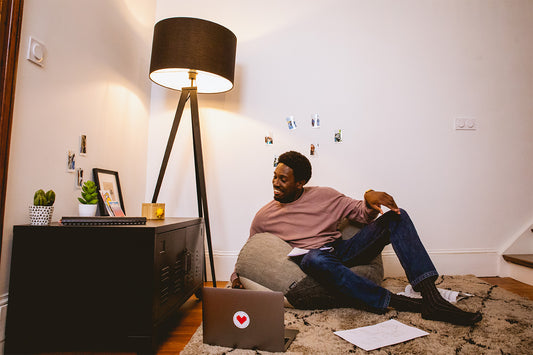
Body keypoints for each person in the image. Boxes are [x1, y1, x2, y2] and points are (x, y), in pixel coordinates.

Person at [231, 151, 482, 326]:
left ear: (300, 183)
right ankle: (394, 302)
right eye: (274, 176)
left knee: (398, 216)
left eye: (282, 179)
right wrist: (236, 279)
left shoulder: (325, 195)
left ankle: (431, 297)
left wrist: (369, 197)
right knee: (314, 259)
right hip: (312, 259)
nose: (275, 183)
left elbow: (361, 214)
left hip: (342, 250)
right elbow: (252, 249)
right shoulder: (265, 216)